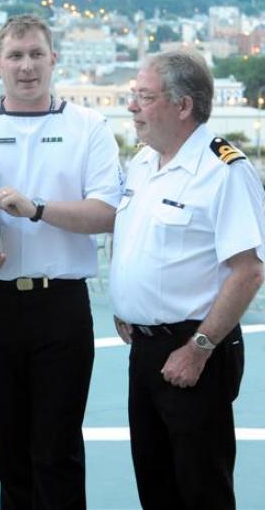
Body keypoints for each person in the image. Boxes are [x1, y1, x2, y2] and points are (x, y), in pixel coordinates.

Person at [0, 14, 122, 510]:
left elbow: (106, 212)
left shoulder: (89, 127)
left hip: (59, 306)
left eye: (36, 54)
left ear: (54, 59)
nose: (26, 67)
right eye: (16, 56)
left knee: (58, 450)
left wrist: (37, 208)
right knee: (10, 453)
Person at [109, 49, 265, 510]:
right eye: (133, 95)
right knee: (155, 485)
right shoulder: (142, 163)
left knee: (201, 489)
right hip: (146, 349)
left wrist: (198, 348)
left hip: (195, 350)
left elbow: (249, 270)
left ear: (183, 106)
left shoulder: (224, 170)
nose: (132, 106)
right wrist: (126, 305)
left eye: (144, 97)